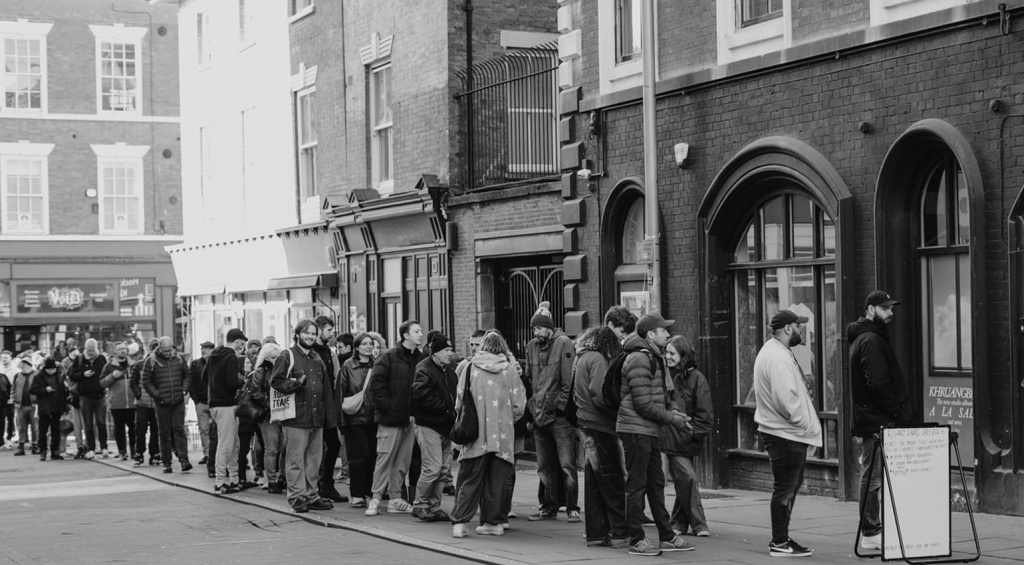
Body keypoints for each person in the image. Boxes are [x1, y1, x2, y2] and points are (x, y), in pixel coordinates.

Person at [617, 313, 695, 556]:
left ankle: (667, 535)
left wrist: (676, 414)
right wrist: (674, 420)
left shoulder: (654, 357)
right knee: (637, 485)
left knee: (656, 483)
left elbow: (661, 397)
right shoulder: (640, 358)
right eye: (663, 330)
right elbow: (643, 404)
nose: (667, 334)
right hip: (636, 430)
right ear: (651, 334)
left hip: (647, 430)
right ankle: (636, 540)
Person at [848, 291, 915, 552]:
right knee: (873, 476)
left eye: (891, 309)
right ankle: (871, 531)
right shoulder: (870, 340)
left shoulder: (868, 337)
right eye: (885, 309)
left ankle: (873, 529)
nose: (891, 314)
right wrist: (896, 412)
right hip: (876, 419)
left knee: (874, 475)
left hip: (874, 418)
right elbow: (878, 382)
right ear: (870, 309)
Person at [753, 309, 823, 558]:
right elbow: (786, 399)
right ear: (787, 328)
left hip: (783, 432)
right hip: (786, 434)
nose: (801, 329)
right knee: (785, 489)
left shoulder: (775, 352)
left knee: (786, 488)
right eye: (798, 325)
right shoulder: (778, 357)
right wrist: (803, 423)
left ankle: (782, 540)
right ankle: (780, 542)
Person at [450, 331, 526, 538]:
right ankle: (494, 523)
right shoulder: (509, 370)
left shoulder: (469, 368)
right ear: (503, 348)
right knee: (497, 482)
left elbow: (459, 401)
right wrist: (505, 419)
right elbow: (519, 405)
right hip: (502, 437)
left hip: (474, 436)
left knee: (469, 480)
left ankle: (460, 523)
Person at [573, 325, 629, 548]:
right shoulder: (597, 359)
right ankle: (620, 533)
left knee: (594, 484)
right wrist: (615, 412)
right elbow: (599, 393)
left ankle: (596, 533)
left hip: (586, 424)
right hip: (600, 427)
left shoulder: (582, 357)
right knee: (612, 480)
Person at [524, 304, 579, 523]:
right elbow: (530, 380)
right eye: (534, 328)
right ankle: (548, 506)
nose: (536, 332)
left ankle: (572, 507)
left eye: (540, 328)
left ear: (549, 328)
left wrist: (560, 408)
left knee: (567, 464)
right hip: (539, 415)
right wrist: (532, 409)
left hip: (558, 417)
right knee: (544, 466)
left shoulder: (563, 343)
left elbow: (568, 381)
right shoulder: (531, 347)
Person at [271, 319, 333, 513]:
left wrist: (329, 417)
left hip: (316, 417)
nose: (311, 337)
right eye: (307, 333)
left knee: (314, 460)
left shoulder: (317, 358)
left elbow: (326, 390)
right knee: (295, 460)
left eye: (314, 334)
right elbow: (276, 382)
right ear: (297, 334)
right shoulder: (287, 355)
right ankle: (297, 497)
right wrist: (296, 383)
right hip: (296, 418)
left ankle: (311, 495)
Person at [365, 320, 426, 516]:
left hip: (411, 418)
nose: (421, 334)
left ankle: (395, 498)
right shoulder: (388, 356)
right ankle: (375, 498)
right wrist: (388, 408)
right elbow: (376, 384)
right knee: (385, 457)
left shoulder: (421, 358)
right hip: (391, 418)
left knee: (403, 460)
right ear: (406, 335)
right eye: (417, 331)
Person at [662, 336, 713, 537]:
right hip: (673, 438)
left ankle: (679, 523)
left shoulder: (696, 378)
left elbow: (705, 413)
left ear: (683, 355)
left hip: (686, 437)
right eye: (666, 352)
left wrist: (694, 433)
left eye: (672, 353)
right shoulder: (666, 376)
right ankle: (699, 524)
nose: (667, 357)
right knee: (688, 478)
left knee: (685, 481)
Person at [411, 332, 458, 522]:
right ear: (436, 352)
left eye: (451, 349)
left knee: (444, 469)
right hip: (429, 425)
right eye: (446, 350)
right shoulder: (424, 369)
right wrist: (447, 410)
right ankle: (420, 504)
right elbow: (421, 396)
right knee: (433, 467)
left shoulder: (450, 371)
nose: (450, 353)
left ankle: (434, 506)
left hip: (446, 427)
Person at [311, 315, 348, 503]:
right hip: (316, 406)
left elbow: (336, 378)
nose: (332, 334)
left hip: (328, 406)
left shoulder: (328, 352)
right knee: (318, 447)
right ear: (318, 330)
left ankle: (326, 485)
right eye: (328, 330)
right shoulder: (312, 352)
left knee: (333, 444)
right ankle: (318, 486)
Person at [142, 336, 193, 474]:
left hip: (177, 400)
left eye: (169, 350)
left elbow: (187, 375)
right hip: (162, 402)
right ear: (159, 348)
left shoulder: (179, 359)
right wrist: (157, 395)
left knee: (179, 430)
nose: (167, 353)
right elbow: (146, 381)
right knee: (164, 433)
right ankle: (167, 462)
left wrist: (184, 390)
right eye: (165, 351)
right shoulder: (151, 361)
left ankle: (184, 459)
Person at [206, 328, 247, 494]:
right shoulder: (231, 356)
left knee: (232, 443)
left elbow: (204, 378)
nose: (242, 346)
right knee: (227, 444)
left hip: (215, 403)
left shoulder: (214, 355)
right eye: (242, 343)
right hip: (226, 404)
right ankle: (221, 481)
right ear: (237, 341)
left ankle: (234, 479)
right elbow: (232, 383)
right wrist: (242, 382)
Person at [341, 333, 377, 508]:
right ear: (356, 347)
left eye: (370, 344)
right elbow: (341, 392)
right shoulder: (348, 366)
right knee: (358, 456)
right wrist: (341, 421)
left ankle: (368, 492)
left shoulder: (377, 364)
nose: (368, 347)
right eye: (364, 344)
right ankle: (356, 493)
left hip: (374, 418)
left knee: (372, 456)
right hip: (354, 418)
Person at [251, 342, 285, 494]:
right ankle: (271, 480)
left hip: (283, 413)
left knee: (285, 447)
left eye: (278, 356)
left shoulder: (283, 369)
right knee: (272, 448)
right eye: (273, 357)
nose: (276, 359)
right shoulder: (261, 371)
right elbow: (256, 392)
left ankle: (282, 477)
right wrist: (270, 405)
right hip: (268, 415)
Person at [69, 339, 109, 459]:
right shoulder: (79, 359)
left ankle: (104, 447)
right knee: (88, 424)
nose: (91, 353)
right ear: (85, 348)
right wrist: (83, 375)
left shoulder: (102, 359)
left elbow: (107, 374)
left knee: (101, 423)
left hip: (100, 395)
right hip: (85, 396)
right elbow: (71, 375)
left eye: (93, 350)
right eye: (89, 350)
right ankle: (90, 448)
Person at [101, 342, 136, 461]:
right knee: (119, 429)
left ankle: (134, 451)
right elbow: (102, 383)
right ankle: (122, 451)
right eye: (120, 349)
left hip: (133, 402)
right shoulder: (109, 366)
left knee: (133, 429)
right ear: (114, 352)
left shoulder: (134, 364)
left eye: (124, 349)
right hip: (117, 403)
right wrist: (112, 377)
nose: (123, 351)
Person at [129, 340, 161, 467]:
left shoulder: (161, 365)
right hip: (142, 402)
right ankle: (139, 452)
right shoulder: (139, 365)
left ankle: (154, 453)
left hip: (156, 403)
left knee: (155, 429)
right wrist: (139, 394)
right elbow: (133, 382)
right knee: (140, 429)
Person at [30, 358, 66, 461]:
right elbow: (32, 390)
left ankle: (55, 451)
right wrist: (45, 390)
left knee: (56, 431)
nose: (51, 371)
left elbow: (62, 392)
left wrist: (63, 407)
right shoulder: (38, 377)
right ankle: (43, 451)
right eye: (49, 369)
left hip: (56, 407)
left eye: (53, 369)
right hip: (44, 408)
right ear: (45, 368)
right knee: (43, 431)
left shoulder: (58, 376)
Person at [190, 341, 215, 465]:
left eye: (206, 348)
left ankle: (214, 453)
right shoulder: (195, 364)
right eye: (202, 348)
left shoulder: (216, 363)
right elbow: (191, 382)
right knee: (204, 429)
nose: (203, 350)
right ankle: (207, 454)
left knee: (215, 429)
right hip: (201, 401)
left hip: (214, 402)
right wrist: (196, 400)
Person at [12, 358, 36, 456]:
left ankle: (35, 445)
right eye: (21, 365)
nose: (22, 367)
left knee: (35, 427)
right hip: (20, 405)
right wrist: (15, 401)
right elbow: (13, 389)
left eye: (24, 365)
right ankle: (21, 447)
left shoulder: (37, 375)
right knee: (21, 427)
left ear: (30, 365)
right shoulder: (18, 376)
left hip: (34, 405)